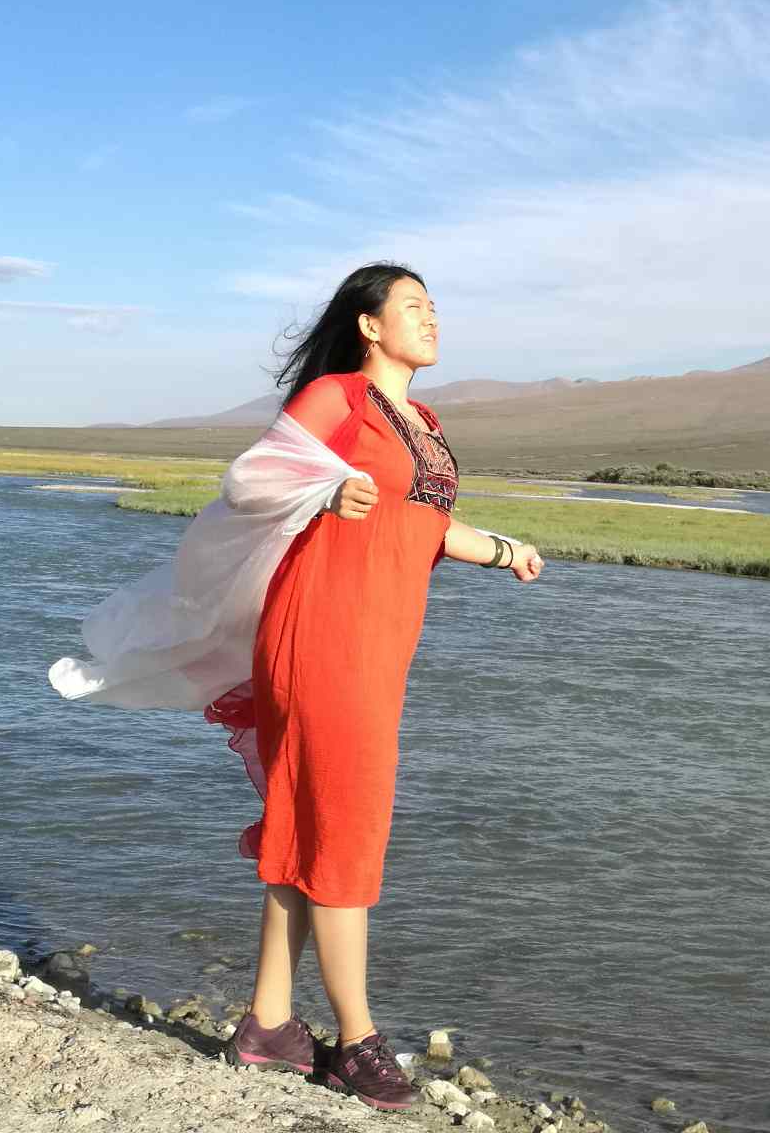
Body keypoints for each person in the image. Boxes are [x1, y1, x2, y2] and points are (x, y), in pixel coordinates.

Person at [210, 262, 545, 1109]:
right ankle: (357, 1042)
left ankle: (269, 1026)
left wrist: (505, 550)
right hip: (321, 634)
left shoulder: (422, 422)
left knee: (307, 823)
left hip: (377, 644)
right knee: (347, 828)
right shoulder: (337, 398)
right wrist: (326, 487)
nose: (432, 319)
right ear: (369, 324)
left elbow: (423, 524)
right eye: (413, 306)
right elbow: (248, 479)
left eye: (435, 307)